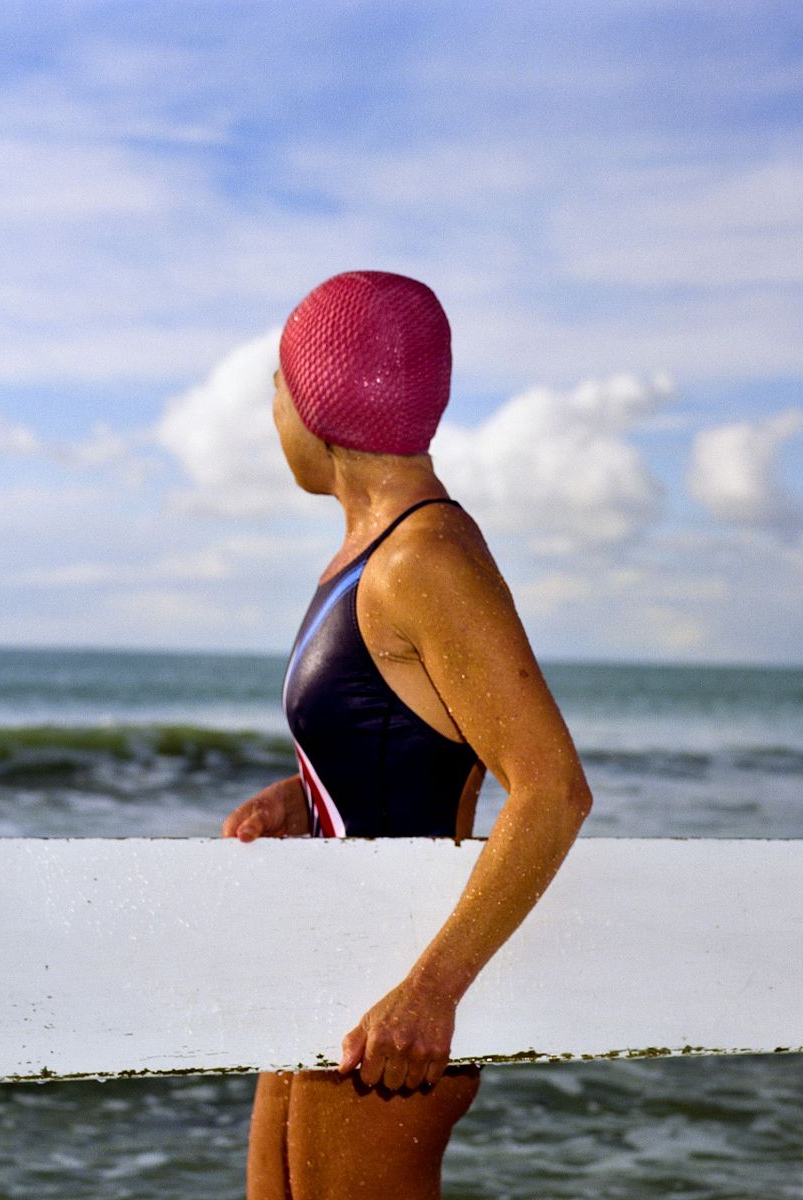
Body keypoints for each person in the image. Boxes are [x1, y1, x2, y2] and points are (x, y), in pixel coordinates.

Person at [222, 271, 593, 1200]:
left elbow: (551, 790)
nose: (272, 411)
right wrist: (306, 795)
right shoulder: (370, 553)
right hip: (333, 963)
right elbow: (409, 738)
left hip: (394, 991)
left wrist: (432, 992)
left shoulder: (424, 557)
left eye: (278, 386)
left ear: (318, 403)